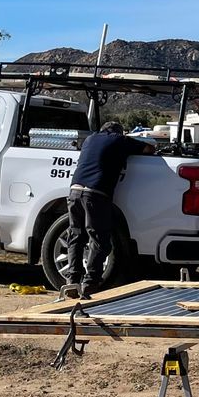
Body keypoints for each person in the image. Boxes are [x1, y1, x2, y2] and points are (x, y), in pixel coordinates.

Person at [64, 120, 154, 298]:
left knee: (76, 236)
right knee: (98, 238)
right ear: (119, 132)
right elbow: (149, 149)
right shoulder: (119, 141)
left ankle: (72, 281)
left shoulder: (90, 139)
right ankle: (90, 283)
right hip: (95, 193)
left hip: (74, 191)